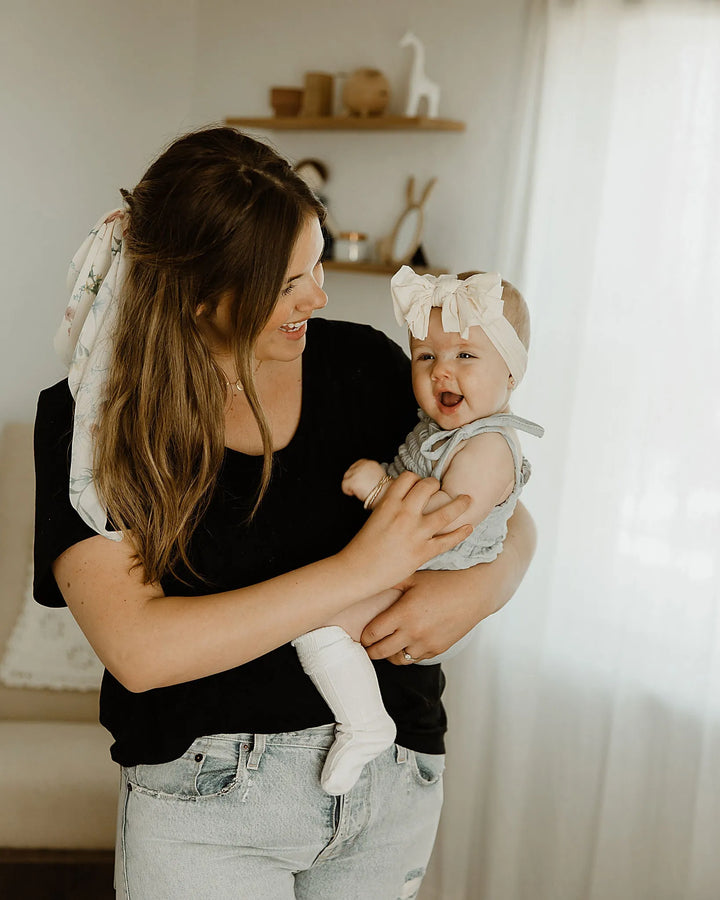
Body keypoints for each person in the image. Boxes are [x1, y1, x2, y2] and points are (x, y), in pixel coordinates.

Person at [33, 126, 537, 900]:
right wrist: (357, 573)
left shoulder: (365, 365)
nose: (319, 297)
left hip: (391, 778)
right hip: (209, 805)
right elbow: (138, 648)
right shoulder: (96, 423)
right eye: (286, 282)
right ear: (202, 291)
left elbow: (505, 505)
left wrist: (479, 589)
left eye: (318, 264)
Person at [292, 267, 543, 796]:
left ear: (512, 373)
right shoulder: (442, 431)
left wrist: (379, 490)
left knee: (317, 627)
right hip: (414, 574)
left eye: (465, 356)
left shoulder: (487, 447)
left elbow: (444, 524)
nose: (441, 372)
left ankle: (364, 723)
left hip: (433, 580)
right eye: (426, 356)